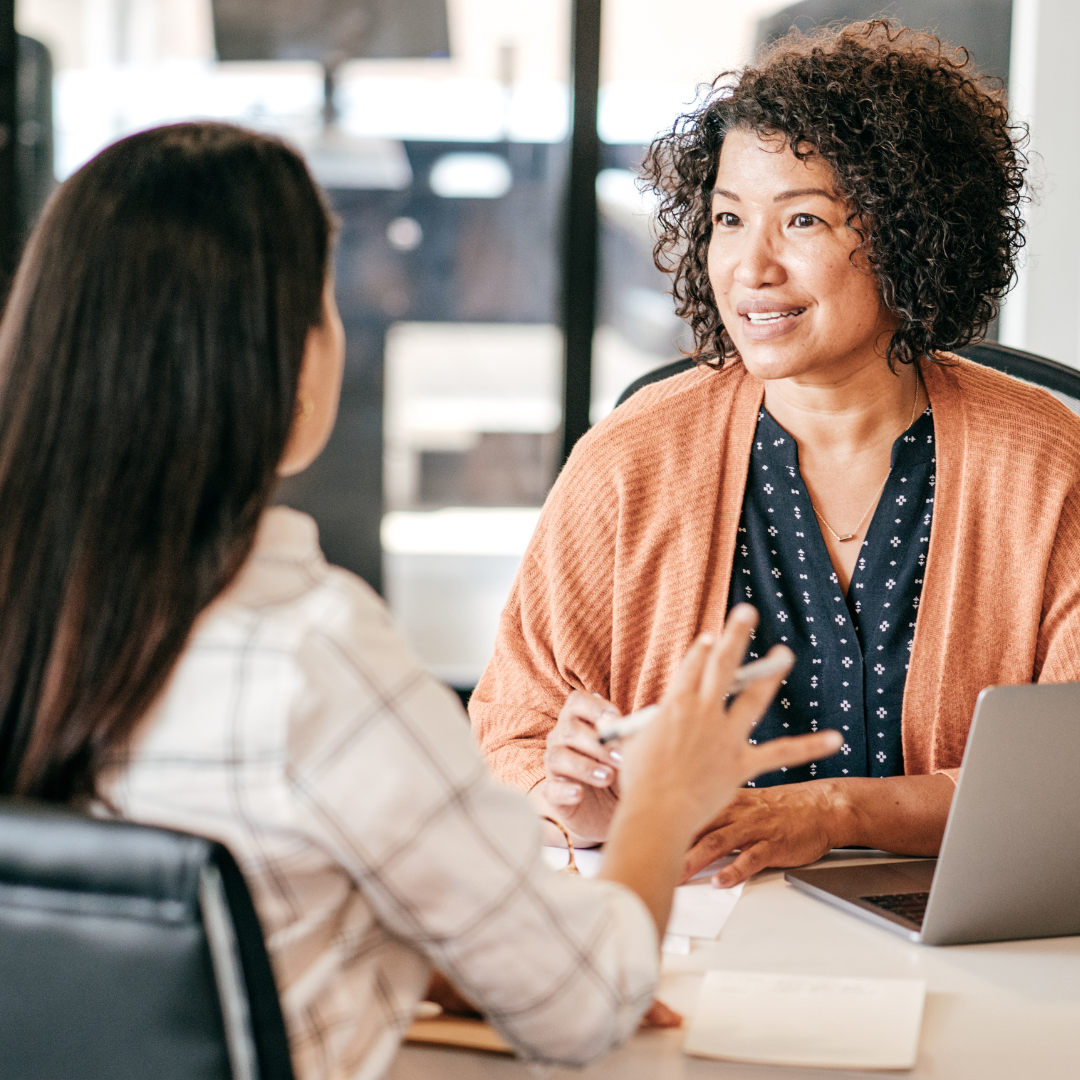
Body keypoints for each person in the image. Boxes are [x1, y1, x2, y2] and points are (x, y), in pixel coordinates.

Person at [0, 122, 839, 1079]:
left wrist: (431, 955)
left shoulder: (43, 623)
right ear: (278, 354)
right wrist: (662, 801)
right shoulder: (311, 653)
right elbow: (582, 1008)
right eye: (325, 299)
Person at [470, 19, 1080, 887]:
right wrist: (576, 798)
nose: (748, 266)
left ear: (910, 233)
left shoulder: (1047, 462)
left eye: (801, 220)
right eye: (727, 218)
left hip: (960, 937)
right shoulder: (631, 458)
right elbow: (513, 734)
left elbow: (1068, 779)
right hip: (696, 921)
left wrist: (834, 813)